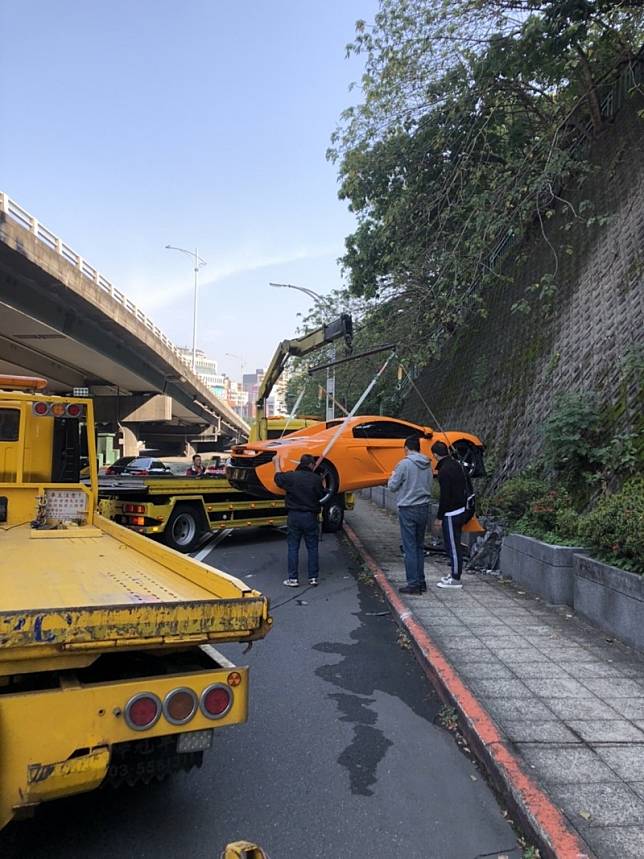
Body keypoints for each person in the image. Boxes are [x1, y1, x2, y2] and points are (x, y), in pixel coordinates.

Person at [387, 435, 433, 595]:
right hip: (424, 507)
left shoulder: (404, 464)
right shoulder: (428, 464)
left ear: (406, 448)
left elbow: (393, 486)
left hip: (408, 508)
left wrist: (392, 476)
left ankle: (413, 584)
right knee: (419, 546)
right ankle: (421, 582)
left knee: (410, 547)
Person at [274, 453, 325, 587]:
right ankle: (313, 578)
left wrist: (277, 463)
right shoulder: (316, 479)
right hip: (310, 516)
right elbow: (322, 495)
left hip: (294, 516)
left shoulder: (291, 476)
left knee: (293, 547)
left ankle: (293, 579)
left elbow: (278, 479)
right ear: (310, 465)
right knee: (313, 547)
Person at [431, 440, 473, 590]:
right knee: (453, 544)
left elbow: (445, 497)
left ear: (435, 455)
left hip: (451, 512)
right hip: (462, 509)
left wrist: (439, 517)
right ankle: (454, 573)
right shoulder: (456, 464)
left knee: (453, 546)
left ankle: (455, 578)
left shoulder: (444, 471)